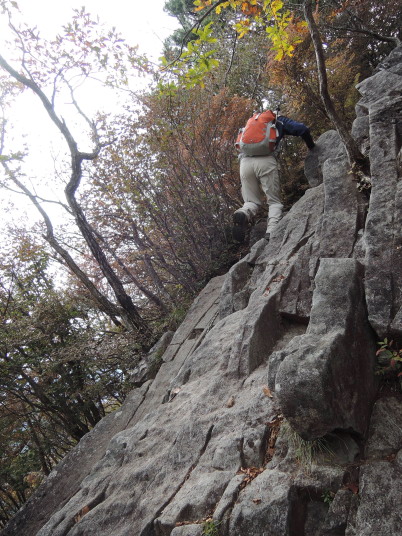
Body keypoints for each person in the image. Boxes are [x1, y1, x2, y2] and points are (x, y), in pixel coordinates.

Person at [233, 112, 315, 243]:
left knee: (251, 201)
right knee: (274, 202)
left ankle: (244, 213)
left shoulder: (252, 122)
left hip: (245, 162)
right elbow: (302, 129)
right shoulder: (278, 120)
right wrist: (312, 147)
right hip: (266, 161)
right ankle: (272, 231)